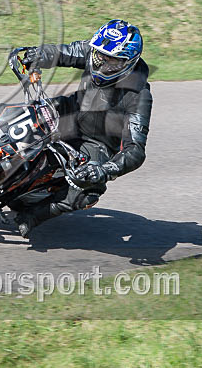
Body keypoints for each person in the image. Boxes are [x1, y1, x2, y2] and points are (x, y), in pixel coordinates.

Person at [11, 20, 152, 238]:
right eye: (100, 56)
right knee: (15, 114)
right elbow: (63, 52)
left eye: (112, 61)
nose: (102, 64)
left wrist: (105, 170)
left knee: (88, 194)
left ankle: (33, 216)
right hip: (71, 111)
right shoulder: (94, 50)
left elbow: (135, 150)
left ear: (128, 63)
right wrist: (36, 55)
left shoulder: (139, 95)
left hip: (98, 143)